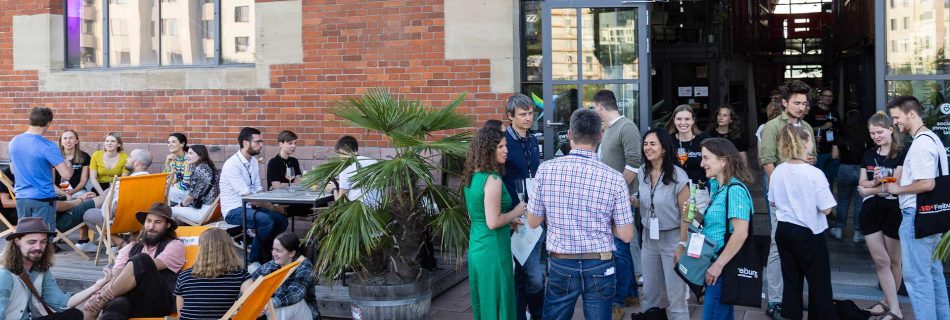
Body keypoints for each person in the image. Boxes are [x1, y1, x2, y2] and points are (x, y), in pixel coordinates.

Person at [527, 108, 635, 319]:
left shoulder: (546, 170)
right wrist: (605, 224)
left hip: (561, 261)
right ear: (600, 135)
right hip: (600, 262)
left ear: (569, 134)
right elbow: (626, 235)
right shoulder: (614, 178)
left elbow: (533, 221)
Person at [884, 96, 950, 320]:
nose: (895, 123)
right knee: (934, 275)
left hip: (917, 216)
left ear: (911, 114)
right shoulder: (933, 138)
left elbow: (926, 183)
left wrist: (898, 189)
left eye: (897, 117)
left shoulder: (921, 144)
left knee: (917, 279)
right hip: (933, 216)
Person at [757, 80, 817, 317]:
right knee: (776, 245)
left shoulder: (808, 127)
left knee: (801, 246)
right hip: (781, 196)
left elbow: (812, 158)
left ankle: (792, 296)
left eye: (804, 103)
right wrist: (778, 191)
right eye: (797, 102)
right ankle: (775, 300)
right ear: (784, 103)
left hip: (804, 195)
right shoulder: (772, 126)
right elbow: (767, 161)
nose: (801, 107)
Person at [769, 124, 838, 320]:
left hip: (784, 229)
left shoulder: (778, 171)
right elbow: (827, 208)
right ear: (804, 142)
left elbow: (773, 202)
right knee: (819, 284)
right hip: (808, 231)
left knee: (791, 281)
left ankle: (791, 316)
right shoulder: (814, 173)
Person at [683, 137, 753, 320]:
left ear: (723, 161)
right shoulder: (716, 186)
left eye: (706, 158)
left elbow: (740, 232)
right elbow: (716, 223)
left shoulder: (735, 189)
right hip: (715, 264)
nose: (701, 163)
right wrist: (696, 215)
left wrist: (717, 266)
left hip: (722, 268)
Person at [82, 203, 186, 320]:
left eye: (158, 222)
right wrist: (98, 295)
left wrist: (102, 297)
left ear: (167, 225)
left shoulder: (175, 245)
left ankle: (102, 300)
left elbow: (147, 266)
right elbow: (116, 273)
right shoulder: (131, 247)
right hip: (131, 298)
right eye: (148, 221)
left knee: (141, 259)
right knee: (115, 305)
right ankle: (99, 301)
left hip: (158, 302)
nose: (151, 226)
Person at [461, 127, 524, 320]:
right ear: (488, 149)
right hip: (494, 250)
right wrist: (516, 211)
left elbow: (477, 217)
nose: (506, 150)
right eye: (500, 146)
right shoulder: (493, 179)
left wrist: (509, 222)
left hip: (477, 247)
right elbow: (493, 221)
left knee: (486, 302)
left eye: (506, 145)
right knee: (500, 301)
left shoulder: (471, 177)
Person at [0, 217, 112, 320]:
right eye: (32, 242)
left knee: (74, 314)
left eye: (43, 242)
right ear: (17, 242)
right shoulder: (4, 274)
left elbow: (62, 303)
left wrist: (96, 287)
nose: (38, 247)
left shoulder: (39, 269)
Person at [592, 89, 642, 316]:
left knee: (619, 250)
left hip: (620, 199)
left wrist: (616, 195)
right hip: (610, 199)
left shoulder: (626, 127)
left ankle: (617, 303)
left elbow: (634, 163)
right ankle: (631, 293)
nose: (595, 112)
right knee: (621, 249)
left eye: (594, 108)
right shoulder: (608, 129)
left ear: (600, 107)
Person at [634, 128, 689, 320]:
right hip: (649, 238)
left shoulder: (678, 175)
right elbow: (645, 199)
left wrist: (682, 244)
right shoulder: (642, 171)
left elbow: (687, 213)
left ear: (664, 148)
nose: (647, 148)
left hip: (673, 239)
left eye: (652, 144)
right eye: (645, 144)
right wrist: (631, 200)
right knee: (649, 294)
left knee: (676, 297)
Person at [856, 112, 905, 320]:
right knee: (880, 261)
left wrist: (871, 187)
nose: (875, 136)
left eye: (879, 132)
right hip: (871, 212)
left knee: (894, 261)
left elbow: (896, 184)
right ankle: (895, 309)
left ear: (891, 130)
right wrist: (875, 184)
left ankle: (888, 303)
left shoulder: (903, 153)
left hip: (894, 211)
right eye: (872, 133)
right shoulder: (868, 154)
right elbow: (861, 183)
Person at [500, 94, 544, 320]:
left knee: (526, 275)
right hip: (514, 218)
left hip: (534, 214)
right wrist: (508, 214)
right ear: (510, 116)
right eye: (523, 114)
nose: (528, 118)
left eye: (530, 113)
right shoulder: (503, 142)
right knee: (532, 277)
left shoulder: (533, 139)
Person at [221, 127, 288, 265]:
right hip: (234, 210)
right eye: (257, 142)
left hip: (251, 206)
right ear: (246, 143)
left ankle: (267, 256)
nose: (261, 144)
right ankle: (254, 262)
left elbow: (257, 190)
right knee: (266, 221)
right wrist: (272, 207)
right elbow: (247, 195)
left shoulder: (253, 162)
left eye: (261, 141)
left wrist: (272, 206)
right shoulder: (232, 165)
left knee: (282, 221)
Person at [0, 167, 101, 251]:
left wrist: (67, 195)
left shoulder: (30, 172)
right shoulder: (6, 175)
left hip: (53, 207)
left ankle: (86, 240)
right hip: (37, 215)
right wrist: (78, 200)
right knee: (96, 200)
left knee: (92, 200)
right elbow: (6, 203)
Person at [8, 107, 74, 230]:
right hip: (43, 199)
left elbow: (12, 170)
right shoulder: (48, 146)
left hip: (21, 198)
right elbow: (66, 175)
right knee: (44, 239)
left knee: (26, 239)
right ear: (48, 123)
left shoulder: (13, 142)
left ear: (30, 120)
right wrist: (69, 165)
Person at [82, 148, 153, 251]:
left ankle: (121, 243)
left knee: (88, 214)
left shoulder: (123, 183)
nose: (126, 159)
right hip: (143, 222)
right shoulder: (156, 181)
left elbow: (107, 212)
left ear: (137, 163)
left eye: (130, 157)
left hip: (122, 223)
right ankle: (132, 241)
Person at [174, 228, 250, 320]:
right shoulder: (240, 274)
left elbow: (180, 316)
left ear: (201, 248)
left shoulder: (184, 276)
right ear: (229, 248)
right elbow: (254, 300)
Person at [250, 232, 319, 319]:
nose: (273, 254)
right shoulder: (272, 265)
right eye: (273, 249)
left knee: (285, 305)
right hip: (277, 312)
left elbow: (296, 294)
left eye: (278, 250)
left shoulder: (304, 265)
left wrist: (268, 304)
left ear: (291, 253)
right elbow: (251, 280)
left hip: (303, 314)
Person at [831, 109, 870, 243]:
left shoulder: (841, 134)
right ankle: (858, 233)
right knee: (859, 203)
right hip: (862, 170)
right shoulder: (866, 134)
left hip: (845, 168)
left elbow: (834, 155)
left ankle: (838, 229)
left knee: (842, 201)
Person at [170, 145, 220, 223]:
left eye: (190, 153)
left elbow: (190, 197)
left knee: (170, 211)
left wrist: (181, 206)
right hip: (213, 212)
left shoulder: (198, 170)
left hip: (203, 213)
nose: (187, 156)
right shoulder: (210, 168)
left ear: (200, 155)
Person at [327, 136, 379, 206]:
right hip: (377, 209)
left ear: (340, 151)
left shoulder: (346, 166)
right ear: (355, 150)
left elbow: (341, 204)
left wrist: (334, 190)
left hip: (358, 213)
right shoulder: (374, 162)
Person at [666, 104, 709, 185]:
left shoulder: (704, 138)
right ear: (674, 120)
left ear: (693, 120)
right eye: (679, 119)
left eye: (687, 119)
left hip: (701, 188)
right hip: (675, 187)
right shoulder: (668, 140)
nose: (683, 123)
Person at [805, 88, 841, 185]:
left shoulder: (835, 112)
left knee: (830, 180)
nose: (828, 98)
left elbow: (840, 129)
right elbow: (806, 130)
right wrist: (822, 127)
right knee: (817, 179)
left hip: (832, 151)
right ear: (821, 97)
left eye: (830, 96)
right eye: (826, 96)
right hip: (818, 151)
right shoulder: (813, 111)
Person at [56, 130, 90, 198]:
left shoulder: (84, 156)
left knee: (86, 200)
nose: (68, 140)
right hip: (58, 191)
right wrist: (64, 193)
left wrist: (72, 192)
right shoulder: (55, 157)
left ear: (76, 141)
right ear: (61, 142)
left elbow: (84, 180)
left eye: (71, 138)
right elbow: (51, 181)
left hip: (78, 191)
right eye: (65, 138)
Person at [164, 133, 191, 205]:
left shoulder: (189, 159)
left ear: (182, 144)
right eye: (169, 142)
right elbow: (168, 179)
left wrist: (169, 186)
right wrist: (166, 164)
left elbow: (186, 185)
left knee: (165, 192)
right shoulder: (172, 158)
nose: (170, 144)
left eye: (173, 142)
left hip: (190, 194)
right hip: (176, 190)